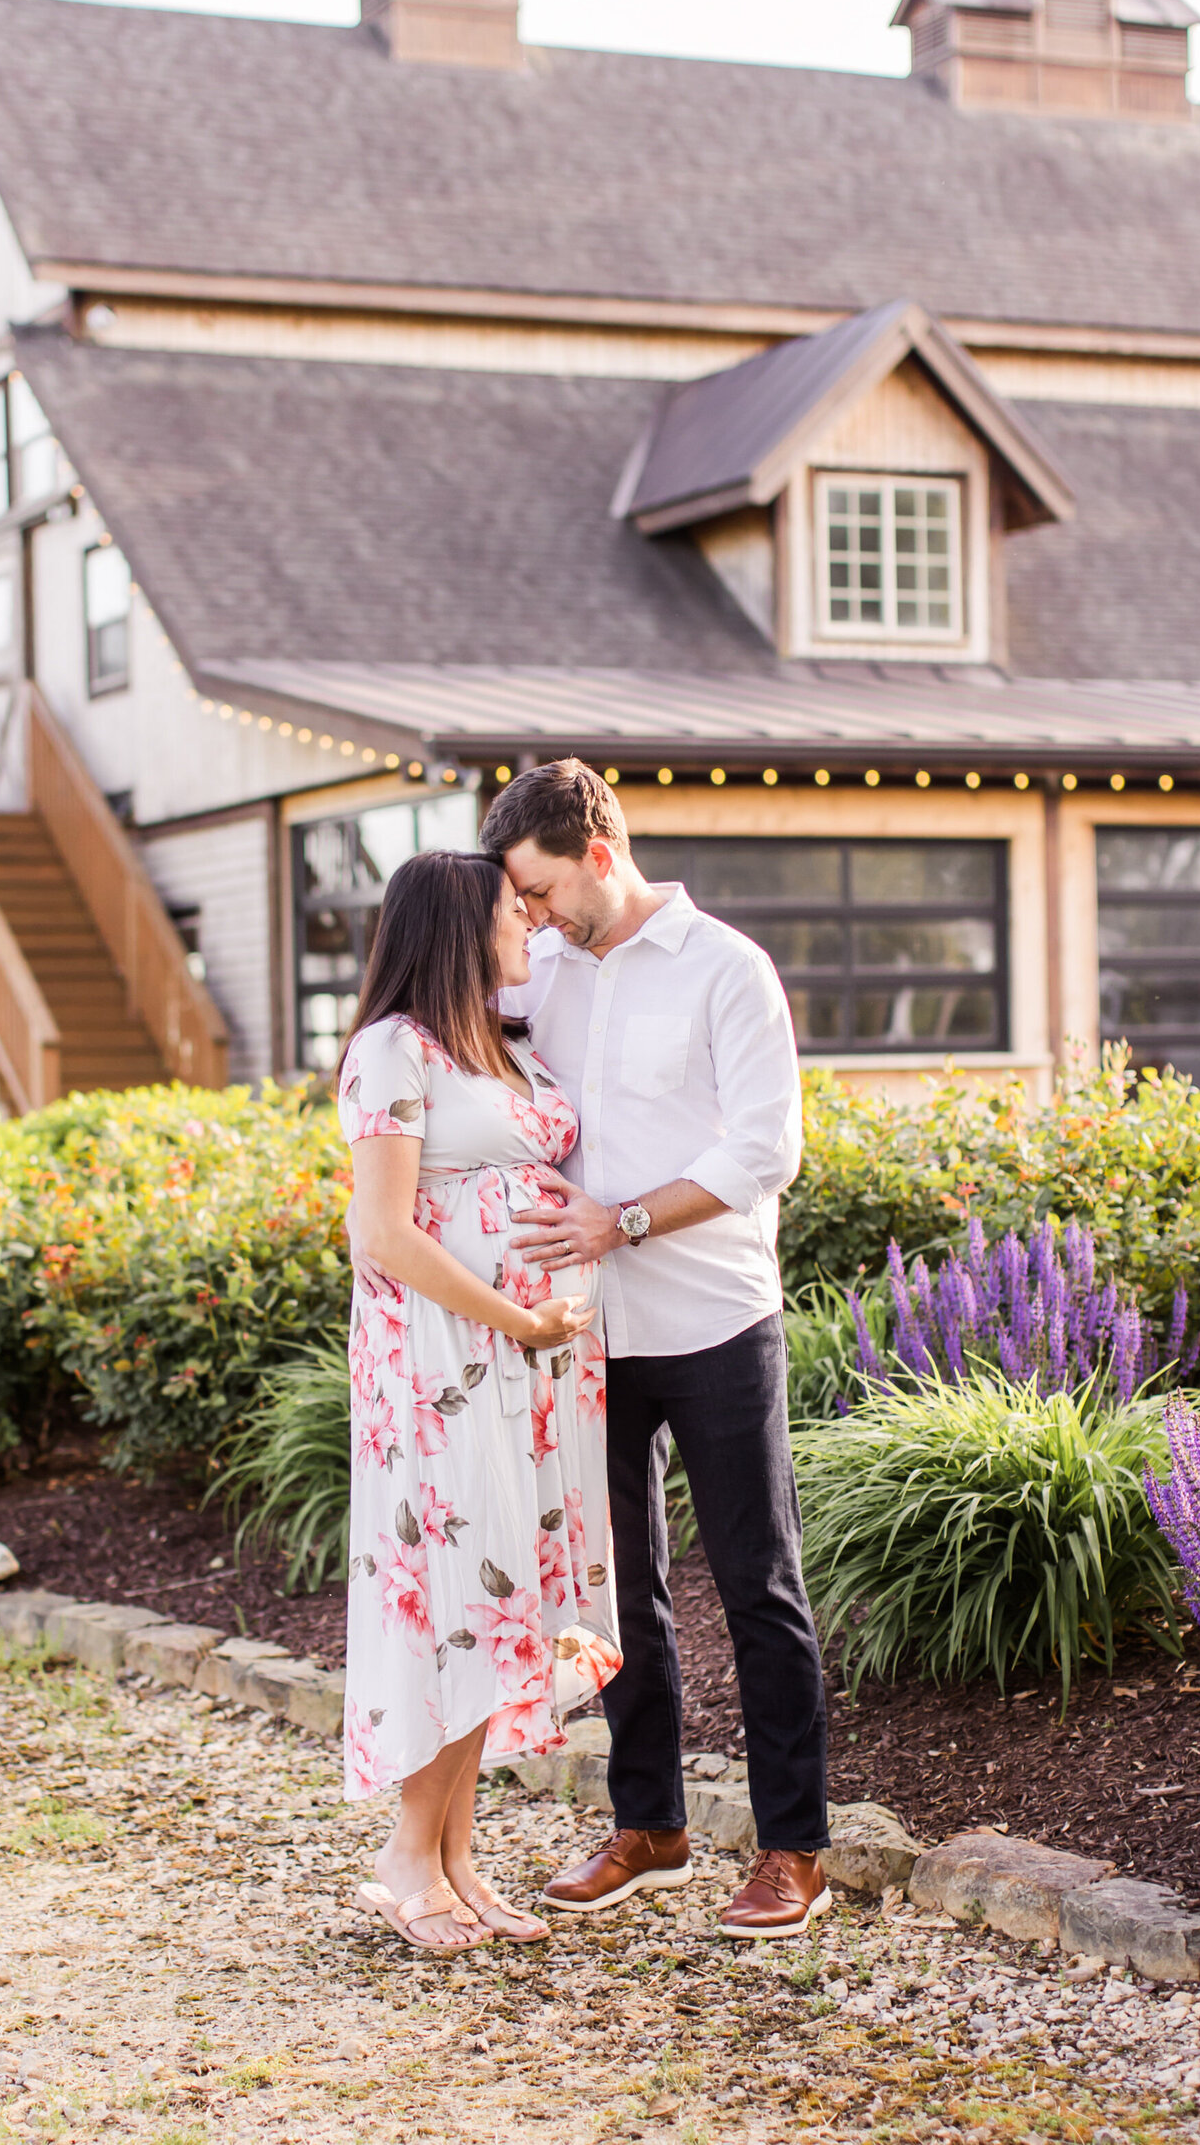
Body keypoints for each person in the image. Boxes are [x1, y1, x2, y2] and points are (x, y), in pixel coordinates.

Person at [477, 760, 830, 1940]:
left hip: (715, 1316)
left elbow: (763, 1150)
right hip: (587, 1330)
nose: (527, 915)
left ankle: (792, 1848)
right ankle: (651, 1824)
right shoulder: (545, 977)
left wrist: (619, 1218)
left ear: (595, 848)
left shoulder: (728, 968)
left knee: (755, 1582)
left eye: (534, 888)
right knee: (612, 1587)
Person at [339, 848, 621, 1955]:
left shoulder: (504, 1050)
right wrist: (517, 1319)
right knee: (453, 1598)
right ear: (461, 927)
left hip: (532, 1373)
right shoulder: (390, 1050)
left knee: (505, 1603)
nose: (530, 931)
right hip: (440, 1367)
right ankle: (407, 1855)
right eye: (515, 913)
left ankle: (456, 1858)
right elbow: (385, 1231)